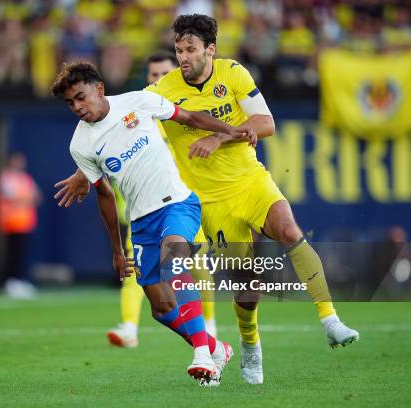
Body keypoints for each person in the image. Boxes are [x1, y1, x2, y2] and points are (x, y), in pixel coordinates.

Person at [54, 14, 360, 385]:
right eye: (178, 49)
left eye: (189, 49)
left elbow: (267, 124)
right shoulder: (156, 93)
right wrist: (82, 174)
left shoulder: (234, 74)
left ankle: (330, 320)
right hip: (211, 201)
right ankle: (247, 347)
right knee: (246, 286)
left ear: (209, 50)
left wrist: (221, 137)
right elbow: (116, 123)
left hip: (247, 180)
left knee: (289, 230)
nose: (182, 56)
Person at [51, 61, 254, 385]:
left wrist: (228, 131)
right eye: (70, 103)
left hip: (178, 203)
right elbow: (103, 195)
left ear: (99, 89)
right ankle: (218, 349)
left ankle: (202, 354)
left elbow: (189, 117)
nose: (77, 107)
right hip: (141, 221)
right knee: (160, 307)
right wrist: (118, 250)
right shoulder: (81, 144)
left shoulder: (138, 102)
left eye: (80, 97)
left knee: (175, 261)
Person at [94, 51, 218, 348]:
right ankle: (129, 326)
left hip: (180, 203)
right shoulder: (138, 113)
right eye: (153, 75)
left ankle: (208, 327)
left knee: (195, 266)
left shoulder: (175, 116)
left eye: (165, 74)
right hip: (140, 212)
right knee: (139, 271)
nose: (159, 79)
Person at [0, 152, 41, 299]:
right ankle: (10, 282)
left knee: (23, 255)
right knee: (13, 255)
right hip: (11, 223)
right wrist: (26, 199)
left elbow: (37, 196)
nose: (19, 164)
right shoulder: (6, 178)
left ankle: (21, 281)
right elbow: (11, 197)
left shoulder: (25, 178)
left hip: (26, 223)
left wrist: (23, 199)